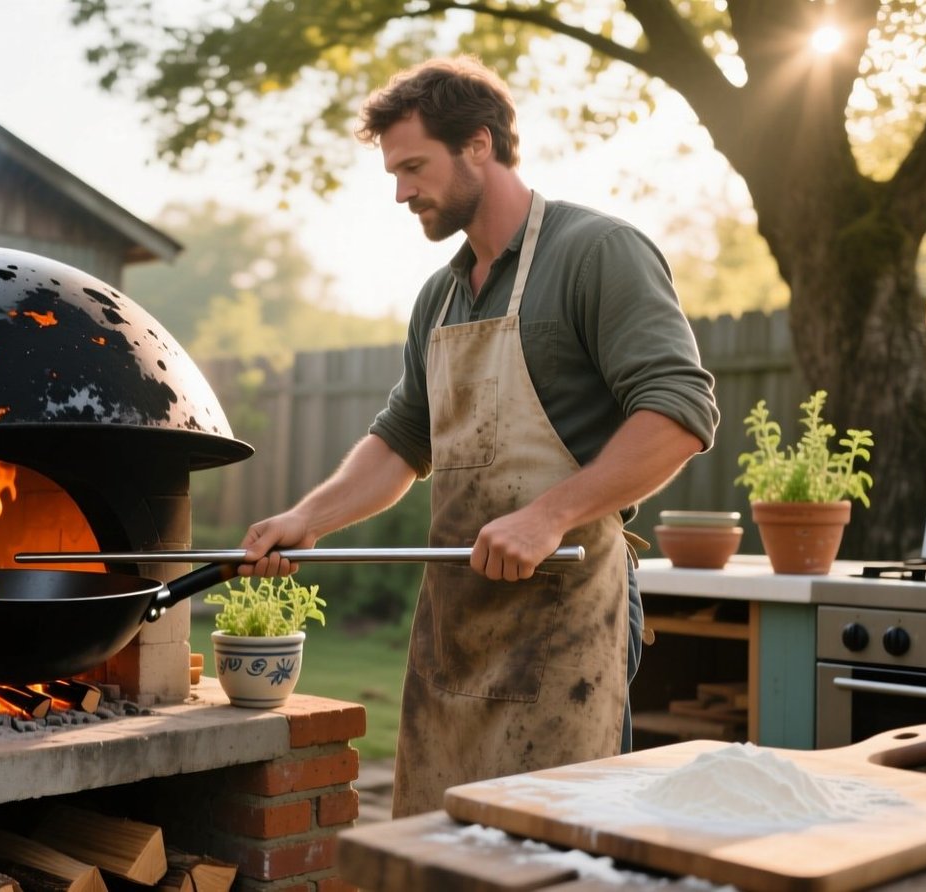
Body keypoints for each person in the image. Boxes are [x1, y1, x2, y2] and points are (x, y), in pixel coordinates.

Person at [237, 56, 719, 817]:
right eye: (394, 173)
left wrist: (549, 515)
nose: (401, 192)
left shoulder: (596, 253)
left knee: (550, 852)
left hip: (566, 627)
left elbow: (679, 413)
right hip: (453, 633)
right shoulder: (441, 294)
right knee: (435, 848)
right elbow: (402, 440)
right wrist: (309, 518)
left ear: (481, 145)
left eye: (414, 167)